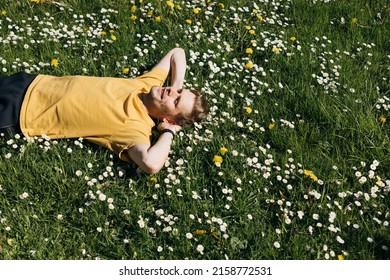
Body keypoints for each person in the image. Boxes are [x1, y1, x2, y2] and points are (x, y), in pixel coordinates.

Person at [0, 48, 209, 174]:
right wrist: (178, 84)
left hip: (20, 114)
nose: (171, 91)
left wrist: (169, 132)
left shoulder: (135, 127)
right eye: (178, 91)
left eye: (176, 100)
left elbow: (151, 164)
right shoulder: (146, 84)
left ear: (168, 118)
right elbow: (177, 52)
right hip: (31, 82)